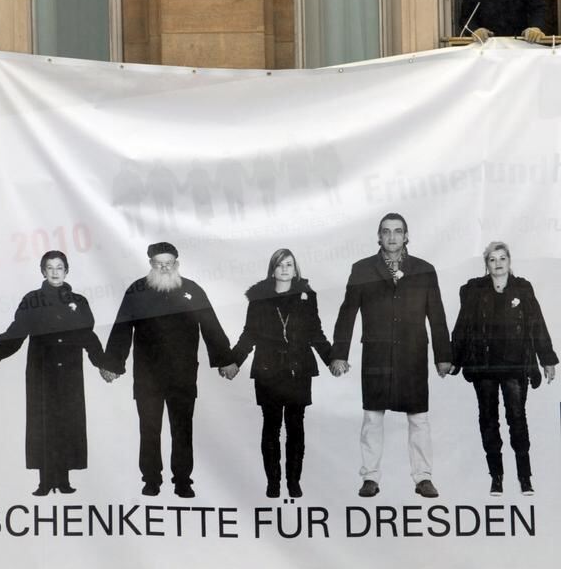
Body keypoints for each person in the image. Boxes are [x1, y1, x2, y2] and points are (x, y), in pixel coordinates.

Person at [330, 213, 452, 498]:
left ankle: (423, 477)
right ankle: (370, 477)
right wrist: (339, 353)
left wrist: (443, 355)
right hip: (377, 353)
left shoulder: (424, 270)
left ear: (406, 236)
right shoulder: (362, 269)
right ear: (379, 237)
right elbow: (347, 313)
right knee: (372, 418)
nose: (392, 237)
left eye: (398, 231)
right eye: (386, 231)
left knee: (419, 418)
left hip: (413, 353)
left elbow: (437, 315)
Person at [104, 242, 239, 498]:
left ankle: (183, 481)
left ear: (176, 264)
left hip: (183, 374)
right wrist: (112, 364)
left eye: (169, 263)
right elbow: (122, 328)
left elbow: (210, 325)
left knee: (182, 429)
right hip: (147, 375)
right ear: (150, 264)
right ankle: (151, 479)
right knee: (149, 430)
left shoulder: (192, 290)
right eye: (159, 264)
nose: (165, 268)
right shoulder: (137, 290)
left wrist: (225, 359)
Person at [0, 251, 106, 496]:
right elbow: (16, 332)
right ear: (43, 271)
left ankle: (63, 480)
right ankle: (44, 482)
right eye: (50, 267)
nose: (55, 272)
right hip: (41, 369)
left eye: (59, 267)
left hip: (70, 371)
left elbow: (88, 336)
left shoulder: (79, 301)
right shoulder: (32, 299)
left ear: (67, 271)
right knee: (42, 422)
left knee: (68, 422)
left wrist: (103, 364)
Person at [450, 241, 557, 496]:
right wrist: (453, 359)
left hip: (515, 366)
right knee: (488, 420)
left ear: (509, 261)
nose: (498, 264)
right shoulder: (475, 290)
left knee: (517, 418)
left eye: (502, 258)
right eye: (492, 259)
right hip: (484, 366)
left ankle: (524, 477)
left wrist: (547, 359)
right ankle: (496, 477)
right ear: (486, 264)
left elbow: (537, 324)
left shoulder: (523, 289)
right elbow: (463, 326)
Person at [231, 249, 331, 499]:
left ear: (296, 269)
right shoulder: (259, 298)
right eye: (280, 265)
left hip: (299, 369)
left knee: (296, 427)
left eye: (289, 264)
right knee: (271, 426)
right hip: (268, 369)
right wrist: (233, 362)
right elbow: (249, 334)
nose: (285, 269)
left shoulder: (307, 297)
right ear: (272, 269)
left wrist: (333, 359)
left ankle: (293, 482)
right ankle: (273, 482)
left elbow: (316, 332)